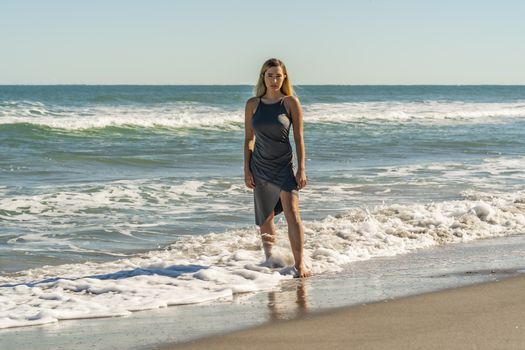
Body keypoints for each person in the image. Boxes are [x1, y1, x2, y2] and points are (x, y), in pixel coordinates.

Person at [244, 58, 311, 278]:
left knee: (292, 213)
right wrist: (247, 169)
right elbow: (248, 140)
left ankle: (300, 264)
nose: (274, 80)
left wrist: (301, 169)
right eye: (270, 75)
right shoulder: (253, 104)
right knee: (266, 218)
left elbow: (299, 138)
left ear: (284, 78)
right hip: (260, 166)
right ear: (263, 77)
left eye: (278, 76)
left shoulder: (290, 102)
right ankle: (270, 260)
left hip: (283, 166)